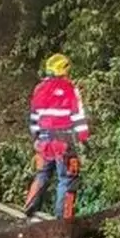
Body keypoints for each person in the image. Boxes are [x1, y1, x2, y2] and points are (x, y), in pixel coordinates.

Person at [24, 53, 89, 219]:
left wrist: (36, 138)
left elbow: (33, 117)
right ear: (64, 69)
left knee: (42, 174)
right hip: (64, 140)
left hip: (43, 140)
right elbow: (78, 116)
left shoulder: (39, 89)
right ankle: (63, 220)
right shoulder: (70, 89)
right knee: (67, 179)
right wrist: (83, 139)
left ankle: (29, 207)